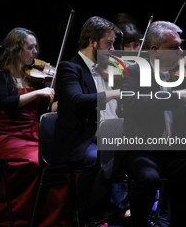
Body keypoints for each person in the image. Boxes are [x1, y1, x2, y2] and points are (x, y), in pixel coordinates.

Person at [89, 21, 186, 227]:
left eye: (181, 46)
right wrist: (174, 96)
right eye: (174, 47)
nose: (181, 52)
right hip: (140, 152)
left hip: (175, 153)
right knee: (149, 177)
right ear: (155, 51)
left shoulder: (183, 78)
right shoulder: (134, 72)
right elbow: (134, 104)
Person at [0, 27, 72, 226]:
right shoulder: (0, 76)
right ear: (15, 50)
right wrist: (38, 94)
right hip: (9, 136)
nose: (35, 52)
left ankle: (49, 220)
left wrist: (66, 102)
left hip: (34, 134)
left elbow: (45, 109)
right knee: (35, 162)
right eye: (30, 48)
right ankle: (11, 217)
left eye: (36, 47)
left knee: (61, 164)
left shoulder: (33, 76)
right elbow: (6, 102)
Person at [52, 16, 121, 222]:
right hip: (79, 138)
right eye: (109, 43)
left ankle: (121, 210)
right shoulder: (69, 68)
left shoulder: (105, 68)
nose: (113, 49)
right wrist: (113, 93)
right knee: (95, 158)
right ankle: (83, 216)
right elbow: (76, 101)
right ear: (92, 42)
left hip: (105, 134)